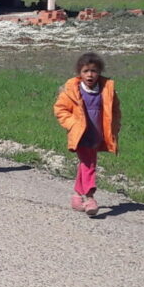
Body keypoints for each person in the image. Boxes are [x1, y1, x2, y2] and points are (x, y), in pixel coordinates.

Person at [52, 51, 120, 213]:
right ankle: (90, 198)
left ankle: (77, 197)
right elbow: (60, 110)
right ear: (79, 73)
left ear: (99, 72)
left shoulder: (106, 90)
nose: (90, 75)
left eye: (94, 71)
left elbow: (115, 110)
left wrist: (114, 127)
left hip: (97, 134)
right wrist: (73, 124)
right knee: (89, 164)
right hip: (80, 135)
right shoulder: (73, 91)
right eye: (85, 71)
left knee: (86, 163)